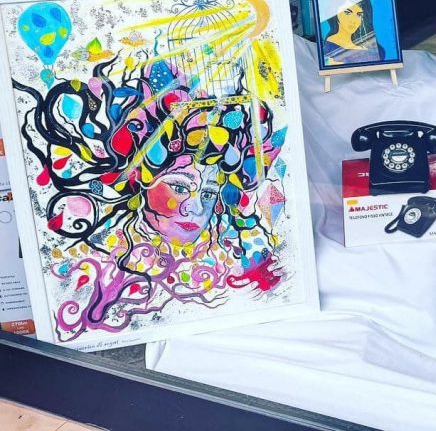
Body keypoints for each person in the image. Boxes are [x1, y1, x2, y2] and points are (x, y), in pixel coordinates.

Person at [13, 56, 286, 343]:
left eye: (207, 193)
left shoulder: (233, 252)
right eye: (179, 187)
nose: (195, 208)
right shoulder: (102, 254)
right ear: (141, 180)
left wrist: (267, 284)